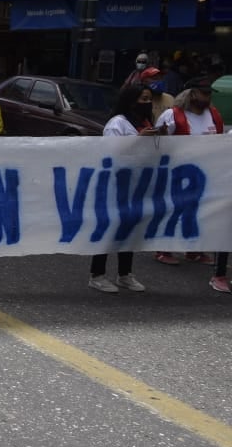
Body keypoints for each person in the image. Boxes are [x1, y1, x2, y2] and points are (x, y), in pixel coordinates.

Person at [88, 84, 155, 294]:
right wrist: (139, 140)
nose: (147, 103)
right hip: (115, 185)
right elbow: (112, 153)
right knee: (109, 229)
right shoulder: (117, 124)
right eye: (143, 99)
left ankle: (125, 274)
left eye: (149, 99)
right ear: (131, 100)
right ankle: (97, 275)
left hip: (136, 185)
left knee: (129, 230)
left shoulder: (143, 122)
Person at [152, 78, 223, 266]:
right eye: (204, 93)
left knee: (200, 210)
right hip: (177, 171)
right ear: (192, 94)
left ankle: (195, 249)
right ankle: (163, 248)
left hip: (205, 172)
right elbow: (159, 142)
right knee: (173, 209)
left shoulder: (214, 115)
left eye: (209, 94)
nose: (207, 97)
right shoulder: (172, 115)